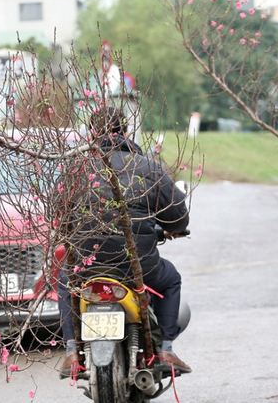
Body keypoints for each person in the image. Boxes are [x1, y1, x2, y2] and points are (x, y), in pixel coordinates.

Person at [57, 107, 191, 377]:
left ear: (91, 134)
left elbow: (59, 219)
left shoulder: (75, 169)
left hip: (86, 267)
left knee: (63, 279)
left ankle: (72, 351)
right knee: (172, 277)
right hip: (138, 267)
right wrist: (171, 229)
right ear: (127, 131)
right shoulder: (148, 167)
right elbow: (178, 217)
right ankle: (165, 348)